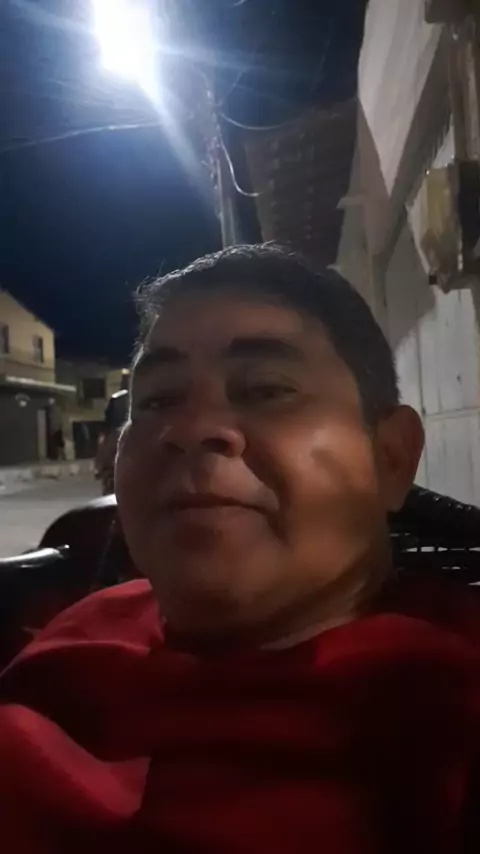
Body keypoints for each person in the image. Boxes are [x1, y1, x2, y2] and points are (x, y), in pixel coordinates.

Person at [0, 244, 478, 853]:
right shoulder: (70, 627)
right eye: (158, 400)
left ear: (391, 456)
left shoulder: (445, 715)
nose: (190, 428)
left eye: (266, 389)